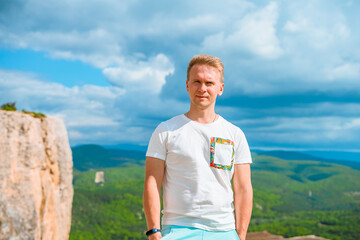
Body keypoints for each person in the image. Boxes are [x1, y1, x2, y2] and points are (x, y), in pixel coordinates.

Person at [143, 54, 253, 240]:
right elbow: (152, 182)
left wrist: (240, 236)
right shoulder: (166, 131)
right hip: (178, 229)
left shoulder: (235, 134)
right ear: (187, 85)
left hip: (224, 231)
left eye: (209, 83)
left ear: (220, 88)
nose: (202, 88)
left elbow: (243, 188)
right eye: (197, 82)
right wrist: (154, 231)